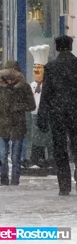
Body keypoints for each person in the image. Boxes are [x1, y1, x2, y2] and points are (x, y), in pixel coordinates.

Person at [37, 35, 77, 196]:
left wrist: (42, 115)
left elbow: (46, 93)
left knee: (60, 148)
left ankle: (64, 184)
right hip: (75, 111)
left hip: (57, 112)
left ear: (57, 47)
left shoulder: (51, 67)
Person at [0, 61, 36, 186]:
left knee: (15, 157)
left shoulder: (24, 87)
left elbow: (31, 105)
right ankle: (3, 180)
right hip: (1, 125)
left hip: (17, 125)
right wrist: (0, 103)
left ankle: (15, 181)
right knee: (3, 156)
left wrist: (18, 106)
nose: (10, 80)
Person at [23, 45, 55, 171]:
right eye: (34, 68)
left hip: (46, 117)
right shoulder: (30, 86)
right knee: (35, 141)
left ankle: (51, 160)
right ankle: (36, 159)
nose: (36, 71)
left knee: (49, 141)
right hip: (33, 117)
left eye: (40, 68)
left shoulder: (50, 86)